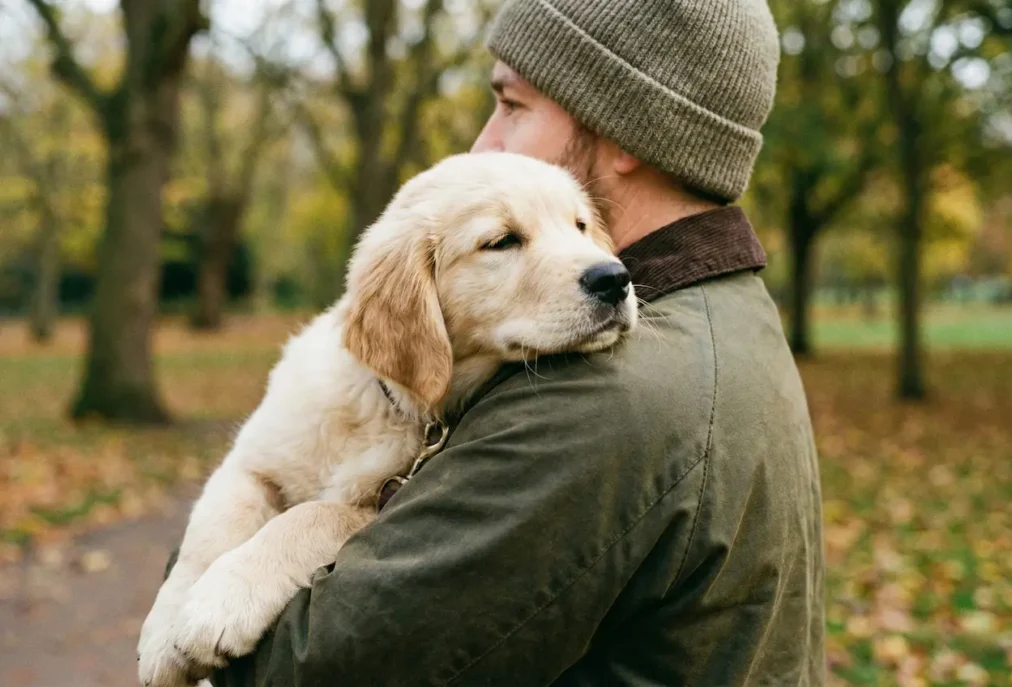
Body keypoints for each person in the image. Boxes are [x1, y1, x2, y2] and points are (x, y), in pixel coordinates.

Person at [209, 0, 825, 684]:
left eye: (511, 104)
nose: (484, 145)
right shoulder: (729, 312)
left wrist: (211, 564)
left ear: (623, 130)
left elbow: (300, 668)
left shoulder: (598, 401)